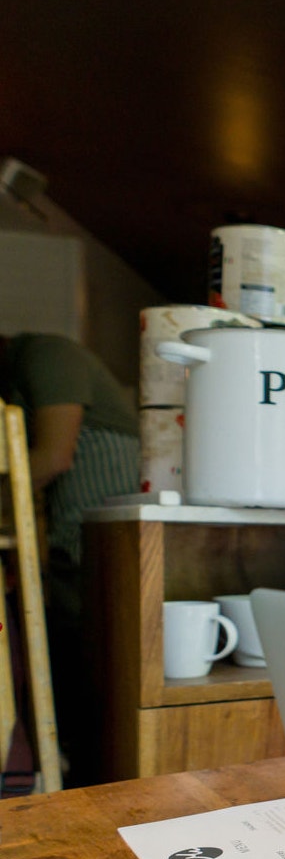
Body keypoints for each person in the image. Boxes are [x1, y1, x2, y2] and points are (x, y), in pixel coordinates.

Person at [0, 332, 140, 781]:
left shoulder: (44, 355)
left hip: (98, 543)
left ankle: (84, 781)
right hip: (78, 542)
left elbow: (55, 456)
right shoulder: (25, 373)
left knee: (85, 671)